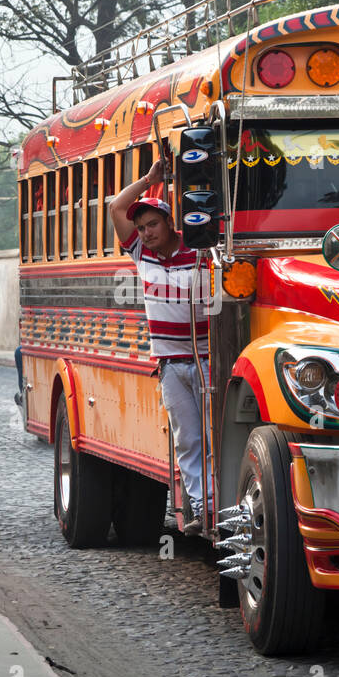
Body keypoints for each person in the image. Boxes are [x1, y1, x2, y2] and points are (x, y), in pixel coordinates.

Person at [110, 159, 213, 536]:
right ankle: (201, 507)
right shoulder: (142, 254)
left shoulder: (201, 251)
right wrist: (148, 181)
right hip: (170, 364)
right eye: (141, 227)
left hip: (207, 360)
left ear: (171, 223)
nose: (146, 232)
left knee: (213, 436)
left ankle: (220, 507)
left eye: (153, 224)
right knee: (188, 439)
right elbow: (116, 208)